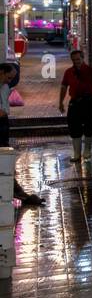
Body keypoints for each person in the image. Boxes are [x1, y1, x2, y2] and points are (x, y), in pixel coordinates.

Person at [0, 63, 42, 206]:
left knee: (4, 158)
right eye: (8, 77)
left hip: (3, 123)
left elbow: (5, 108)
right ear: (1, 72)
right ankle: (21, 195)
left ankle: (20, 194)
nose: (9, 81)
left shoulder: (5, 88)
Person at [58, 48, 92, 164]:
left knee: (89, 125)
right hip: (74, 101)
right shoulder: (68, 72)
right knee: (73, 126)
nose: (76, 61)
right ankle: (76, 153)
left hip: (89, 100)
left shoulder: (91, 71)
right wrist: (60, 102)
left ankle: (87, 151)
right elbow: (64, 87)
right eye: (74, 60)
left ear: (83, 58)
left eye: (78, 59)